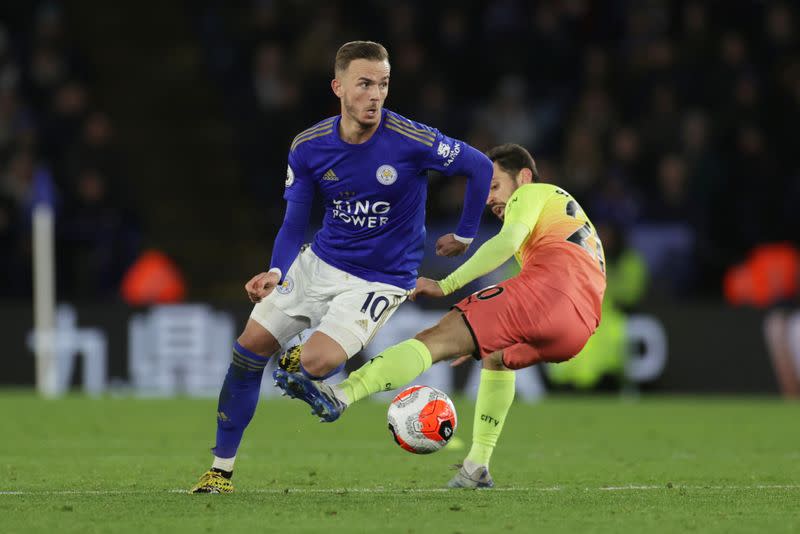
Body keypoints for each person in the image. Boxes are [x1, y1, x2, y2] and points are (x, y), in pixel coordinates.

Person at [190, 41, 493, 493]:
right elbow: (295, 222)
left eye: (384, 85)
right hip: (321, 261)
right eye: (365, 84)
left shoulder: (410, 139)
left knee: (316, 362)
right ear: (339, 87)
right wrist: (276, 271)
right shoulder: (309, 147)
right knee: (247, 352)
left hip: (382, 278)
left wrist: (467, 233)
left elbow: (480, 166)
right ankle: (220, 470)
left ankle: (302, 359)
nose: (376, 95)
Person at [274, 143, 606, 488]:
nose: (489, 199)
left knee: (434, 340)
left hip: (550, 292)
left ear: (522, 176)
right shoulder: (567, 213)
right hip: (581, 326)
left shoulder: (532, 192)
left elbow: (506, 243)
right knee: (495, 357)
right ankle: (477, 467)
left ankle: (342, 394)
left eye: (494, 187)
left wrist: (447, 284)